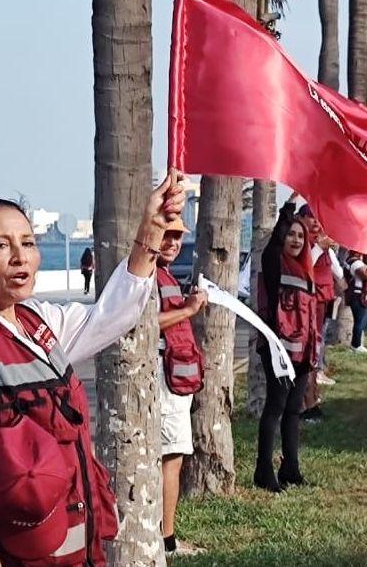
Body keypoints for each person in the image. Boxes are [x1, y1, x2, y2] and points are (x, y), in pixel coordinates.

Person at [0, 171, 185, 567]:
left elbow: (110, 317)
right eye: (0, 245)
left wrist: (150, 231)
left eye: (28, 243)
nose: (20, 257)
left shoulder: (39, 323)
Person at [254, 194, 319, 492]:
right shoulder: (275, 265)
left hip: (303, 351)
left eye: (300, 236)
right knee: (276, 407)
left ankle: (291, 468)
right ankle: (263, 471)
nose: (295, 240)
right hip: (278, 349)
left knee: (294, 409)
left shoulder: (305, 270)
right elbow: (274, 245)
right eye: (291, 234)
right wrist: (289, 208)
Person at [155, 216, 207, 558]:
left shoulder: (164, 274)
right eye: (167, 236)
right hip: (165, 382)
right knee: (170, 459)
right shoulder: (151, 275)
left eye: (177, 237)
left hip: (173, 380)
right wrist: (188, 309)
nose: (173, 243)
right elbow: (146, 322)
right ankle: (167, 541)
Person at [296, 202, 343, 423]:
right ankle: (307, 403)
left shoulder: (321, 244)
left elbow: (337, 270)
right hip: (306, 306)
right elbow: (303, 269)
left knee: (315, 350)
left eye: (318, 218)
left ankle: (312, 397)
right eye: (311, 217)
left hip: (322, 304)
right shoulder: (301, 243)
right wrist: (319, 248)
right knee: (308, 353)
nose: (315, 222)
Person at [345, 251, 367, 353]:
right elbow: (366, 275)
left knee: (360, 321)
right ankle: (356, 345)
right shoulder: (356, 263)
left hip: (359, 295)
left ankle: (356, 344)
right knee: (360, 321)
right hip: (358, 296)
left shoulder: (352, 261)